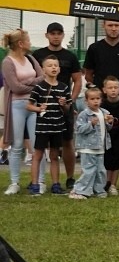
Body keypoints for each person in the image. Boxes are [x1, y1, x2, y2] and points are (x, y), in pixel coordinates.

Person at [33, 21, 82, 190]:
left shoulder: (70, 56)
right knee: (39, 145)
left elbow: (77, 80)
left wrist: (70, 100)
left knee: (67, 141)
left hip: (63, 107)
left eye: (59, 33)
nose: (55, 36)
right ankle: (37, 181)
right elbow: (32, 79)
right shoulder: (37, 55)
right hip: (43, 109)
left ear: (62, 35)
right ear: (47, 35)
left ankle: (69, 177)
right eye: (52, 33)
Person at [3, 29, 42, 195]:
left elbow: (42, 77)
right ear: (21, 43)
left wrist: (27, 82)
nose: (30, 42)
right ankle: (14, 182)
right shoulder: (7, 62)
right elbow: (15, 87)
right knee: (17, 145)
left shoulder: (31, 59)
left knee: (36, 145)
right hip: (16, 106)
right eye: (28, 40)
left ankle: (39, 181)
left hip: (34, 105)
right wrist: (33, 84)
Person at [27, 57, 72, 195]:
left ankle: (56, 185)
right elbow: (29, 105)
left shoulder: (64, 87)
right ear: (43, 69)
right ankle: (35, 185)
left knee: (54, 156)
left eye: (55, 65)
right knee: (38, 155)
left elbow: (67, 110)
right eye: (50, 65)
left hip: (57, 127)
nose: (53, 68)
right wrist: (39, 109)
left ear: (59, 69)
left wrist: (63, 104)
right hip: (43, 127)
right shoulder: (39, 87)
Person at [70, 86, 111, 200]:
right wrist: (91, 124)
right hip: (87, 148)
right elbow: (79, 129)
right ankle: (80, 190)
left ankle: (98, 190)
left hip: (100, 147)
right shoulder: (84, 114)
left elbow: (107, 129)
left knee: (100, 170)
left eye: (98, 98)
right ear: (86, 101)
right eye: (92, 99)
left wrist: (109, 122)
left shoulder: (104, 113)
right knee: (89, 170)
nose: (95, 101)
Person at [84, 19, 119, 100]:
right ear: (103, 26)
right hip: (101, 98)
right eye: (110, 25)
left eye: (116, 25)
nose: (113, 28)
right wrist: (100, 89)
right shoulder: (94, 48)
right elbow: (88, 75)